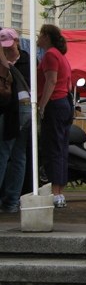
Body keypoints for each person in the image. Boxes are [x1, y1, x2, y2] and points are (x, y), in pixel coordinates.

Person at [37, 24, 73, 209]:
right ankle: (59, 191)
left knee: (54, 148)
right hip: (64, 102)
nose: (38, 37)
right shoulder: (61, 56)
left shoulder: (50, 55)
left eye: (40, 34)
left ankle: (56, 192)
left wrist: (42, 105)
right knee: (61, 147)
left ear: (46, 37)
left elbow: (51, 81)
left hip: (55, 103)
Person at [0, 28, 31, 214]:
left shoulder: (24, 61)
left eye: (9, 46)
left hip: (18, 111)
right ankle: (11, 201)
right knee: (15, 154)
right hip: (15, 110)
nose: (7, 49)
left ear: (16, 42)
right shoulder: (25, 59)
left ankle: (11, 200)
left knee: (7, 152)